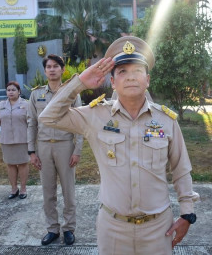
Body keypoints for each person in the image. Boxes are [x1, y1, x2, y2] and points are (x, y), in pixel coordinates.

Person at [39, 36, 199, 255]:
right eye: (122, 71)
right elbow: (49, 118)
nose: (131, 77)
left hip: (158, 228)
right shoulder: (96, 116)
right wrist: (80, 83)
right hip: (113, 228)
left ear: (148, 79)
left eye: (137, 71)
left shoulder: (166, 120)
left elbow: (181, 169)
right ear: (112, 82)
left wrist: (187, 214)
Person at [27, 54, 83, 246]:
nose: (52, 69)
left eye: (55, 66)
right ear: (45, 71)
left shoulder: (71, 94)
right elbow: (31, 124)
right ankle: (52, 229)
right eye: (48, 67)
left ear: (62, 70)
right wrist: (31, 152)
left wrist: (77, 150)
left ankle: (69, 229)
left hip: (65, 146)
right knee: (48, 191)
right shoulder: (36, 94)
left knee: (68, 190)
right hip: (43, 147)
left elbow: (80, 123)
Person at [0, 81, 29, 199]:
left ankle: (23, 189)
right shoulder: (1, 105)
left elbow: (32, 123)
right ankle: (13, 188)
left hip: (22, 139)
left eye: (13, 90)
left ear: (19, 92)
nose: (10, 92)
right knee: (10, 165)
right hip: (6, 140)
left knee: (23, 164)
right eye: (8, 90)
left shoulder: (26, 105)